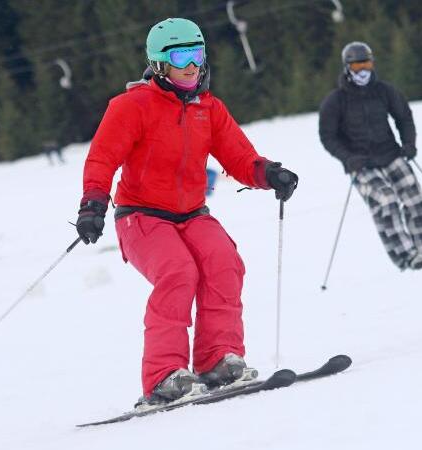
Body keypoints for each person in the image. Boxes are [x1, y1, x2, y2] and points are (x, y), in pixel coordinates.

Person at [75, 18, 298, 407]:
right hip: (140, 216)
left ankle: (217, 361)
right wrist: (93, 203)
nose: (192, 65)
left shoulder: (207, 108)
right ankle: (164, 376)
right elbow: (102, 158)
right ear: (160, 62)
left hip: (192, 214)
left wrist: (269, 173)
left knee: (223, 261)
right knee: (178, 272)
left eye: (197, 55)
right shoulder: (131, 106)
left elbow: (239, 157)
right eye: (181, 56)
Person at [318, 41, 422, 271]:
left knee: (415, 200)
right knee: (387, 201)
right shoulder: (336, 101)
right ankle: (406, 256)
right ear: (347, 68)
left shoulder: (384, 91)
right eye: (358, 65)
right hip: (361, 164)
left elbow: (404, 117)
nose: (363, 71)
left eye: (367, 64)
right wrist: (348, 158)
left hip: (390, 155)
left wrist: (409, 144)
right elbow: (327, 136)